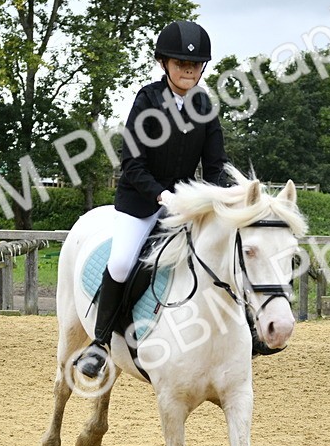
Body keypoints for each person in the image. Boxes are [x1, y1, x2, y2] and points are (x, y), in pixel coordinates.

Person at [74, 20, 229, 379]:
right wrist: (160, 194)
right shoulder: (147, 100)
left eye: (195, 65)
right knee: (122, 264)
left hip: (184, 206)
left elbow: (216, 165)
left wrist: (216, 198)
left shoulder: (205, 106)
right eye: (180, 63)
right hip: (141, 201)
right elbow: (132, 162)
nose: (188, 70)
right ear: (164, 63)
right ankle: (100, 342)